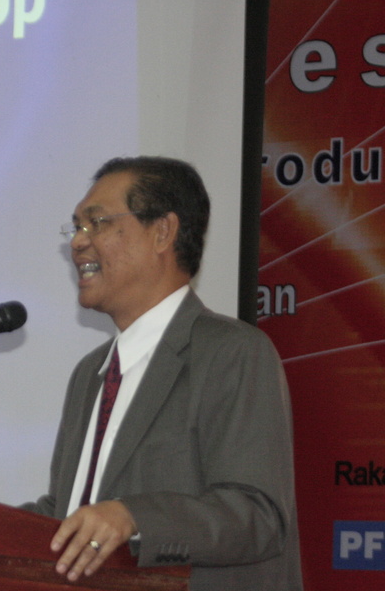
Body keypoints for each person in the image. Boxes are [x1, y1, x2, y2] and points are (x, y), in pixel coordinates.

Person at [22, 156, 302, 590]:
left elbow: (258, 515)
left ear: (162, 232)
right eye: (76, 227)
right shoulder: (90, 373)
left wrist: (133, 517)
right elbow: (69, 511)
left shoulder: (232, 351)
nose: (77, 242)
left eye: (96, 223)